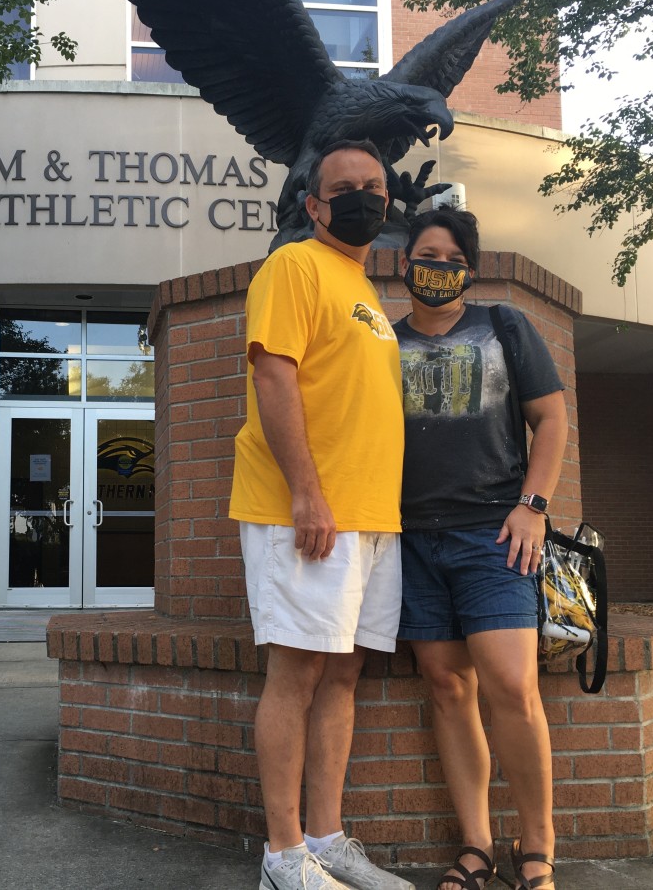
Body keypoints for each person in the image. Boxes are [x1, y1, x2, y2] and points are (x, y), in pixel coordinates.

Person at [230, 138, 414, 890]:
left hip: (370, 519)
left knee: (342, 676)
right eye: (345, 188)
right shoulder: (294, 266)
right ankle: (283, 859)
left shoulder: (364, 289)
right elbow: (274, 376)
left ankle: (326, 840)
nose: (363, 197)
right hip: (307, 514)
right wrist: (306, 492)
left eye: (374, 186)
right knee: (296, 674)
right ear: (313, 205)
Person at [391, 207, 568, 890]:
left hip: (495, 534)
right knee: (446, 686)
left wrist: (533, 506)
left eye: (452, 260)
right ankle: (476, 847)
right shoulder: (384, 342)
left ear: (470, 270)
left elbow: (550, 418)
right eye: (426, 256)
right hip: (411, 540)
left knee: (512, 687)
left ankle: (537, 848)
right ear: (404, 263)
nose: (437, 269)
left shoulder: (504, 325)